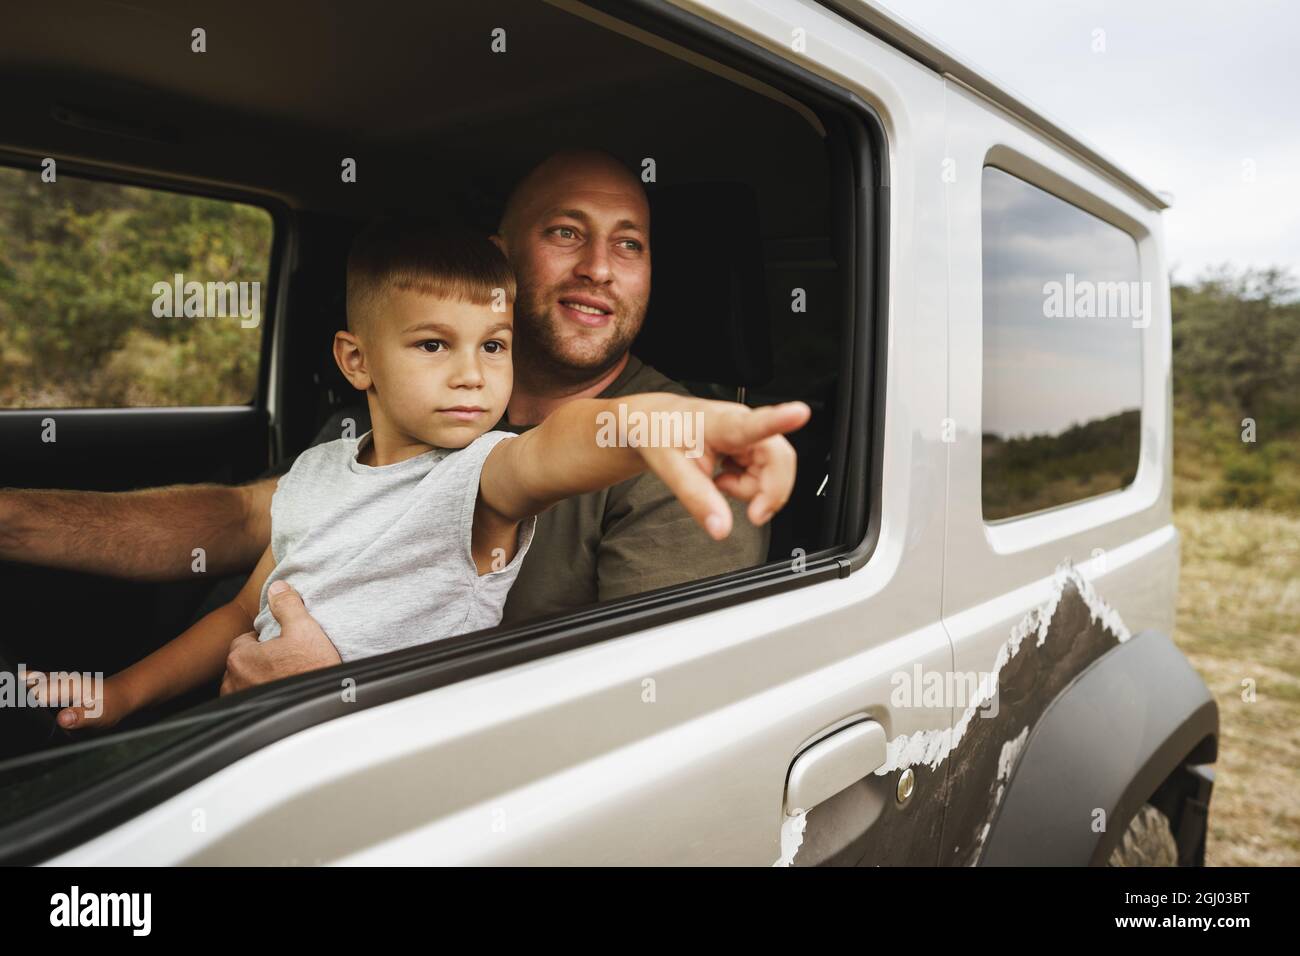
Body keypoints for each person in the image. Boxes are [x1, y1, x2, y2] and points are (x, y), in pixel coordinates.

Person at [0, 150, 775, 694]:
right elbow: (250, 518)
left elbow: (646, 714)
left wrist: (346, 692)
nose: (600, 267)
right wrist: (17, 522)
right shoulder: (411, 413)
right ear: (501, 258)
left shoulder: (689, 463)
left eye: (629, 245)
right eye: (567, 232)